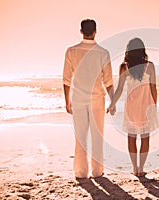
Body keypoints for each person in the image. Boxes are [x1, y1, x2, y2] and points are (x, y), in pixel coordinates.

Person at [63, 19, 115, 178]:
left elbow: (66, 79)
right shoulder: (103, 52)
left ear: (81, 31)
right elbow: (108, 81)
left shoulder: (71, 51)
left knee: (80, 136)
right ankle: (97, 171)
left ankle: (80, 171)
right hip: (97, 100)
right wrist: (112, 101)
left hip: (78, 99)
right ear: (95, 31)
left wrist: (67, 101)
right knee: (97, 135)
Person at [107, 38, 158, 176]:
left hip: (131, 106)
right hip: (146, 105)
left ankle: (134, 168)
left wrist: (112, 104)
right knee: (145, 137)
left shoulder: (124, 67)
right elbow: (153, 89)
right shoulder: (150, 66)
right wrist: (154, 106)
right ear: (142, 50)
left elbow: (119, 89)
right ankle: (141, 168)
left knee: (131, 137)